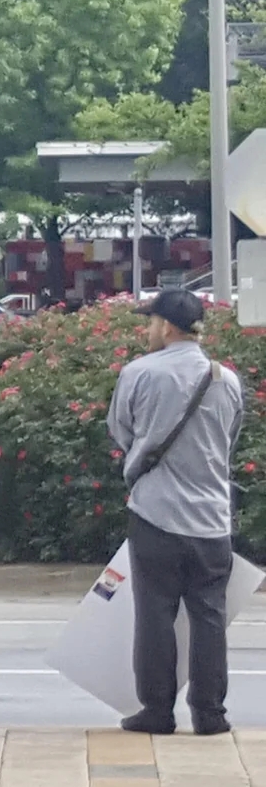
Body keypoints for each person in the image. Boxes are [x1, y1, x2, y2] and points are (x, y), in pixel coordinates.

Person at [107, 289, 244, 736]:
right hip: (212, 520)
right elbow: (230, 440)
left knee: (155, 614)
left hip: (156, 514)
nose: (148, 330)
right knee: (209, 616)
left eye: (150, 323)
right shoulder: (226, 379)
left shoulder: (139, 373)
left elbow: (121, 431)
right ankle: (210, 714)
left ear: (167, 327)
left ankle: (157, 710)